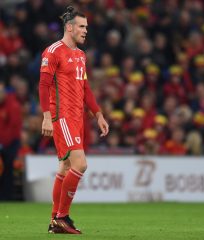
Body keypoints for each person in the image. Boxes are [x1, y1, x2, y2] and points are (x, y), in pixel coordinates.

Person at [39, 6, 109, 234]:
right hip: (63, 116)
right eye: (81, 26)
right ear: (69, 27)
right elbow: (43, 85)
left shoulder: (80, 55)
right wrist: (47, 117)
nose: (85, 31)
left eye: (86, 27)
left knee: (65, 167)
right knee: (80, 164)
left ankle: (54, 220)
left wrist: (98, 114)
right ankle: (62, 217)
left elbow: (85, 87)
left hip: (77, 116)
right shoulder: (53, 51)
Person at [0, 81, 22, 201]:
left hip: (11, 143)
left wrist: (3, 144)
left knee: (7, 169)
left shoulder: (12, 106)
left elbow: (13, 128)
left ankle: (6, 197)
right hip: (2, 143)